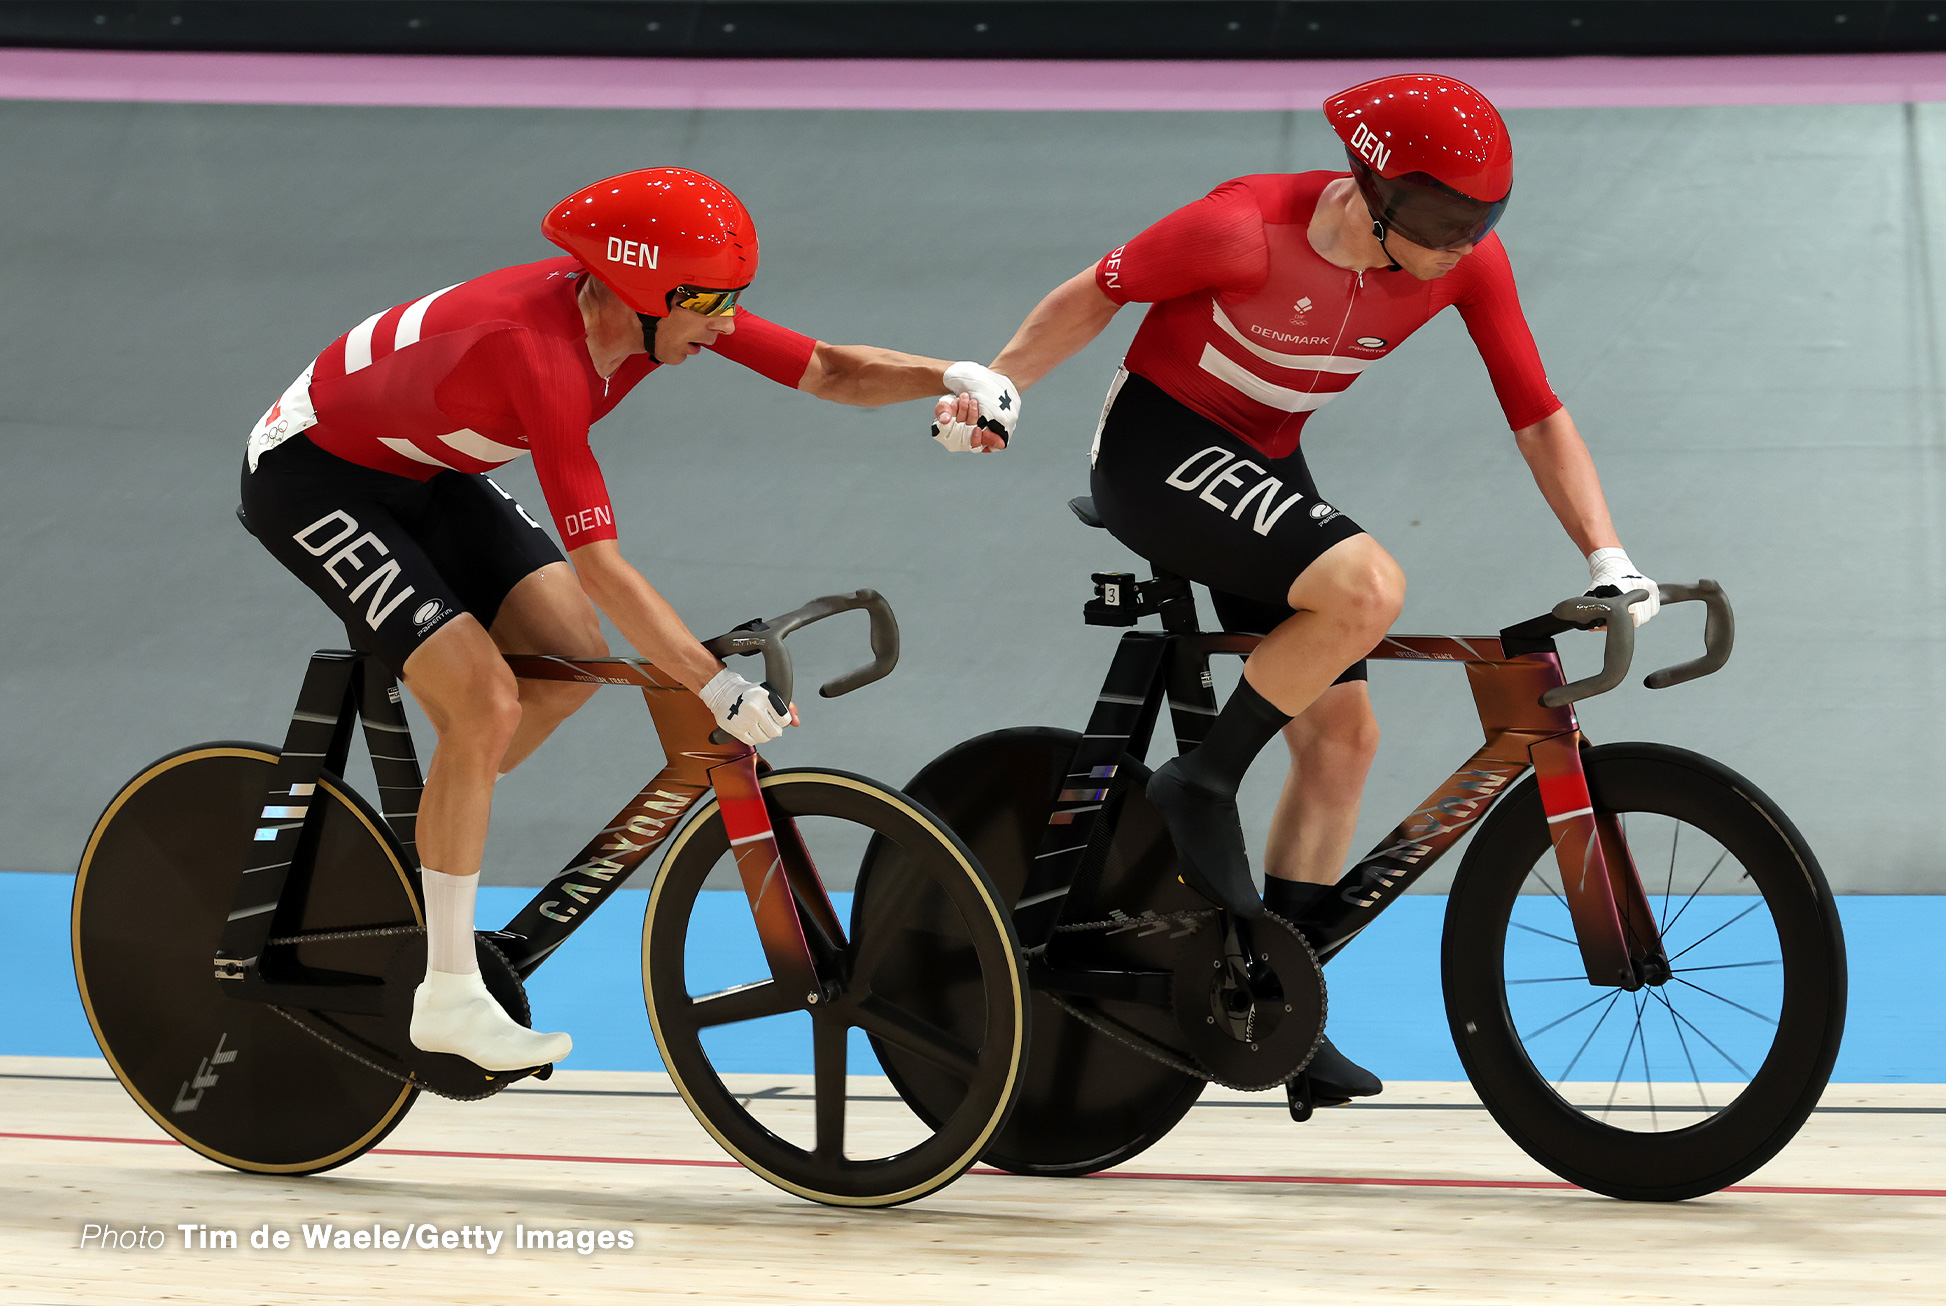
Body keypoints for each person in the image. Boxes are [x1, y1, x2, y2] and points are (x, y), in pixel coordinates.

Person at [944, 74, 1661, 1117]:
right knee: (1368, 583)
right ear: (1369, 191)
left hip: (1264, 464)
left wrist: (1608, 552)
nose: (1457, 243)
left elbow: (1536, 413)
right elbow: (1095, 291)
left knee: (1343, 741)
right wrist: (1000, 384)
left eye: (1481, 222)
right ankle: (1200, 781)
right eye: (1436, 219)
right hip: (1156, 452)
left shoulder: (1465, 265)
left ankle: (1273, 995)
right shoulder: (1238, 228)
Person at [240, 167, 1021, 1072]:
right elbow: (603, 565)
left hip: (425, 462)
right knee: (486, 702)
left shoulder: (656, 318)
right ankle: (447, 994)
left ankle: (410, 852)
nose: (725, 324)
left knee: (571, 656)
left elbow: (828, 369)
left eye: (735, 301)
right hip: (315, 476)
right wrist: (715, 684)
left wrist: (957, 373)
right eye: (707, 305)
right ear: (639, 293)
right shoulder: (541, 356)